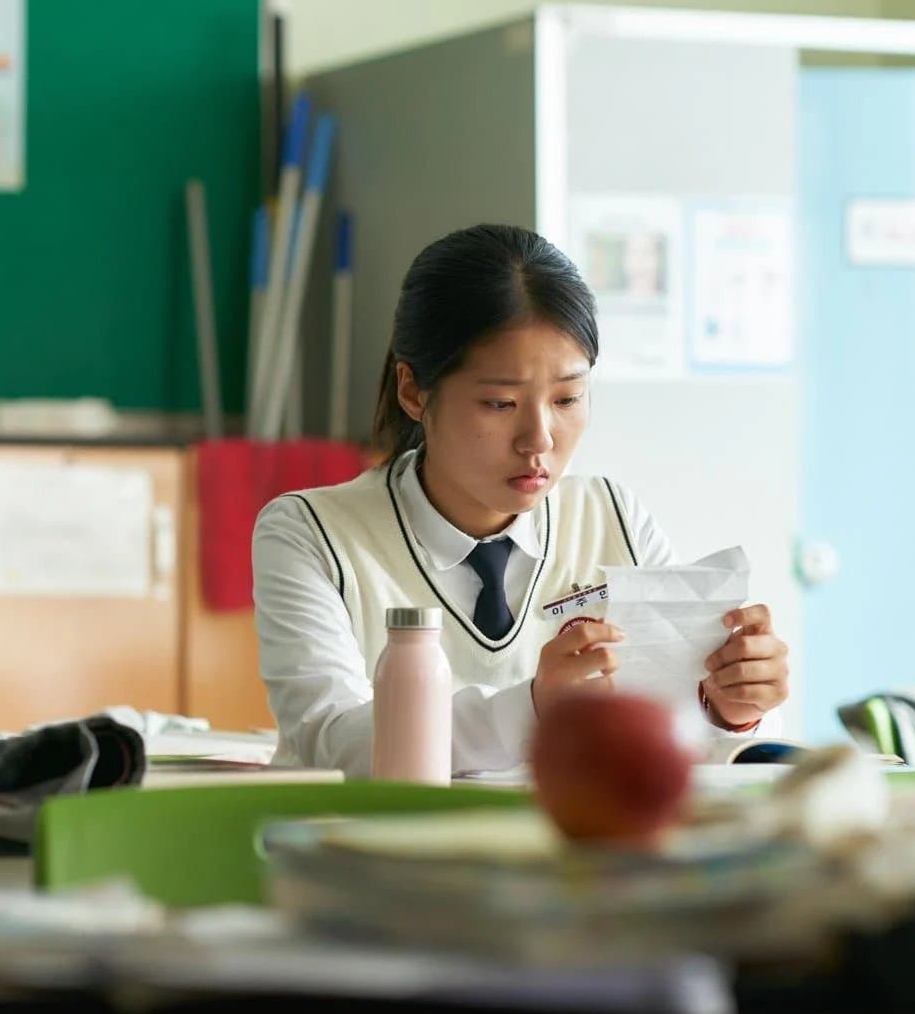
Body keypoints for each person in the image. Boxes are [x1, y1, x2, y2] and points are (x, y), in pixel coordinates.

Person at [252, 223, 790, 775]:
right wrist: (533, 708)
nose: (540, 439)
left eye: (567, 398)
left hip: (573, 854)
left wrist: (732, 711)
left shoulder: (611, 516)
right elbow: (332, 740)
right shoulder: (311, 532)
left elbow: (670, 738)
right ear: (412, 390)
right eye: (500, 403)